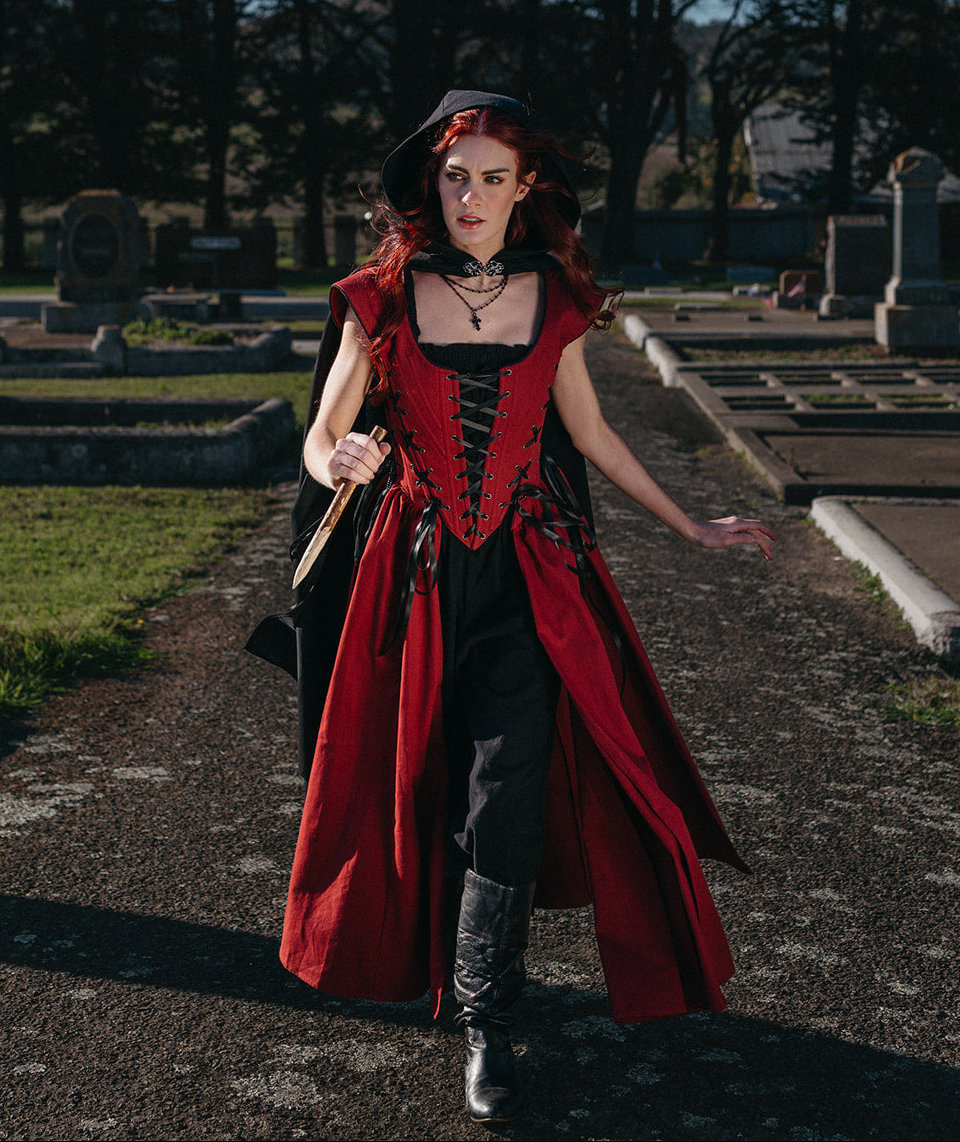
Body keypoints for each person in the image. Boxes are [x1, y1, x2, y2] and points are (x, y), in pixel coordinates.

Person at [249, 90, 775, 1125]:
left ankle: (488, 1024)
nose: (472, 195)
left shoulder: (556, 302)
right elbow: (320, 436)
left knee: (506, 795)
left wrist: (692, 528)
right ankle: (426, 969)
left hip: (529, 583)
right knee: (406, 786)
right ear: (428, 187)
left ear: (525, 186)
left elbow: (593, 441)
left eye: (493, 177)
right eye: (455, 177)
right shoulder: (383, 296)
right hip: (409, 578)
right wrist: (339, 453)